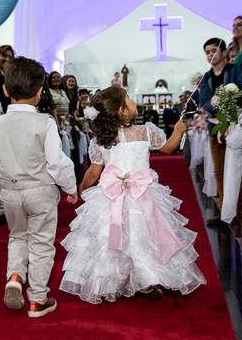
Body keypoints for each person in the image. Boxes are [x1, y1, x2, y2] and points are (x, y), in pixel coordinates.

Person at [60, 87, 205, 303]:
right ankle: (144, 279)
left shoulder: (103, 139)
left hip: (117, 196)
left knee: (121, 238)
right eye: (128, 98)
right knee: (142, 236)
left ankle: (135, 279)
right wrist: (177, 131)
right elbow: (168, 148)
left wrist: (82, 188)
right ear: (122, 110)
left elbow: (94, 171)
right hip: (137, 195)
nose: (132, 101)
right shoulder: (144, 132)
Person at [0, 57, 78, 318]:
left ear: (5, 90)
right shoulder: (44, 122)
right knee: (41, 242)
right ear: (39, 92)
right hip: (40, 191)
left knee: (17, 236)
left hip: (10, 191)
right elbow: (56, 162)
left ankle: (15, 277)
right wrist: (71, 188)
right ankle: (37, 299)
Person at [198, 37, 242, 203]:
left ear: (224, 52)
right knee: (219, 169)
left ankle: (239, 204)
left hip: (236, 125)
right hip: (215, 127)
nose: (210, 55)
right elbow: (203, 101)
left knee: (236, 167)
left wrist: (228, 104)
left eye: (214, 50)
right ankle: (223, 204)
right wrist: (214, 104)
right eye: (207, 52)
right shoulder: (206, 77)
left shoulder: (234, 70)